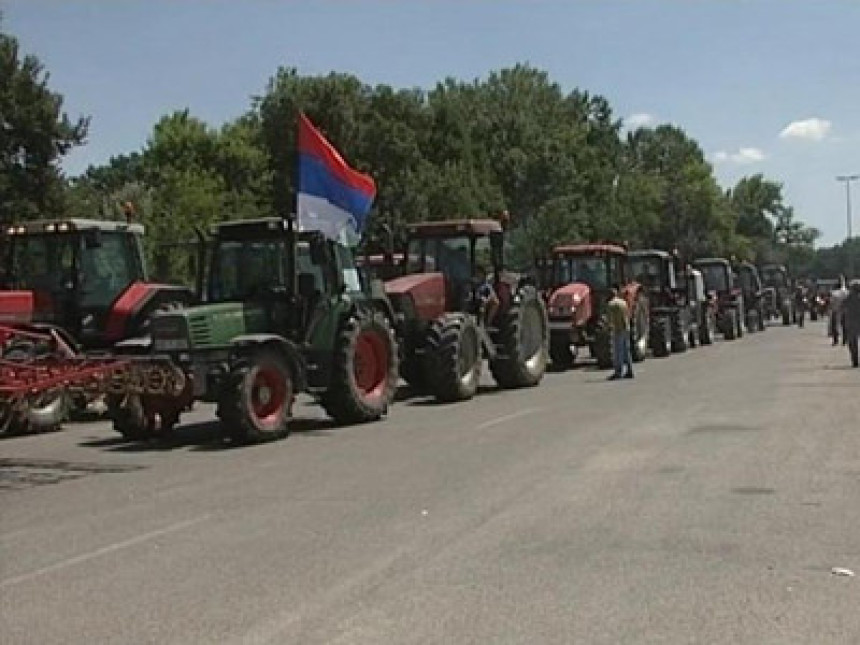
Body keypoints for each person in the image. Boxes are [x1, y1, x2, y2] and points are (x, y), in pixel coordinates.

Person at [607, 286, 633, 380]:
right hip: (626, 328)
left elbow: (610, 319)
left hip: (618, 329)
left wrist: (610, 328)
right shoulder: (623, 302)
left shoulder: (611, 304)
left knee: (618, 351)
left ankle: (618, 372)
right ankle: (630, 370)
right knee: (626, 350)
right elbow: (628, 314)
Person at [844, 280, 860, 368]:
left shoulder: (848, 297)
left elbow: (842, 307)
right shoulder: (849, 297)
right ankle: (855, 360)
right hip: (853, 321)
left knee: (852, 342)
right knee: (852, 342)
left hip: (851, 322)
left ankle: (855, 360)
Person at [829, 278, 849, 346]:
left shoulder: (834, 293)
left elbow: (831, 303)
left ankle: (835, 340)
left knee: (835, 326)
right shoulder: (847, 293)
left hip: (836, 310)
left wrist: (831, 309)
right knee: (844, 326)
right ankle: (844, 340)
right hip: (845, 311)